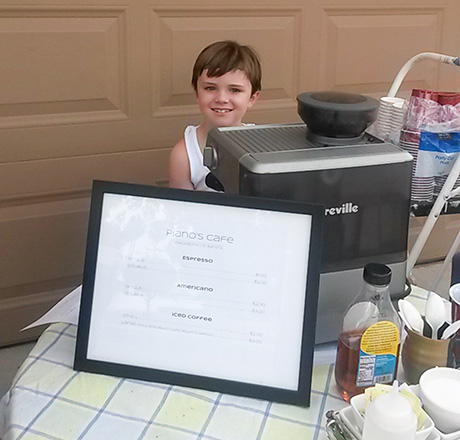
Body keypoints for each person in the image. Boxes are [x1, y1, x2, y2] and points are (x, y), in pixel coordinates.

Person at [168, 40, 262, 191]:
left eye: (234, 90)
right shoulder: (184, 155)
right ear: (196, 93)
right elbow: (182, 211)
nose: (221, 99)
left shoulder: (261, 144)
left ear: (252, 98)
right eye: (210, 88)